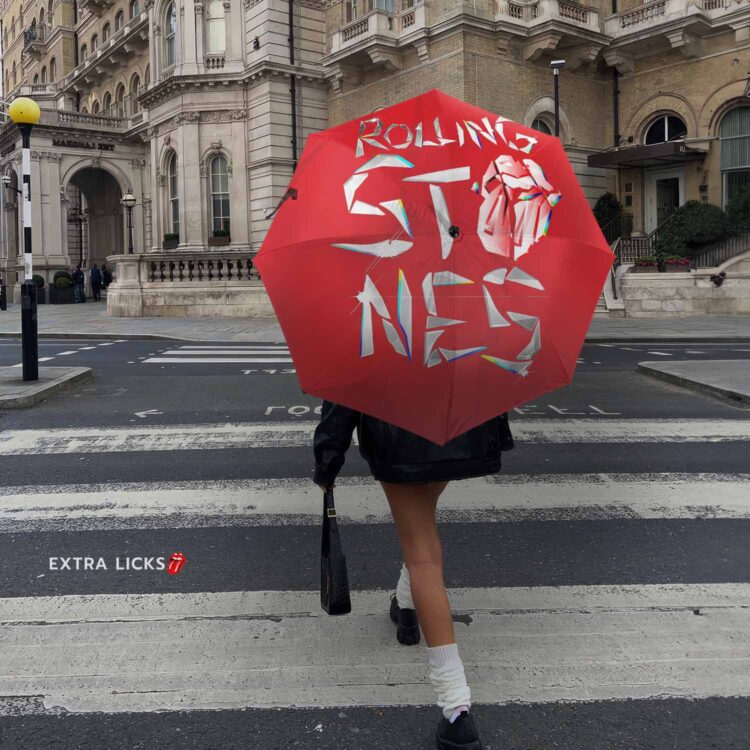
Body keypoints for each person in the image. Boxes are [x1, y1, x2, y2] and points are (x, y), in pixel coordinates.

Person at [313, 401, 514, 750]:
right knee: (423, 522)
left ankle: (457, 710)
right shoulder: (465, 340)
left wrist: (327, 459)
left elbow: (342, 391)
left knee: (423, 557)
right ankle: (406, 608)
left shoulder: (370, 340)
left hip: (398, 437)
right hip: (461, 432)